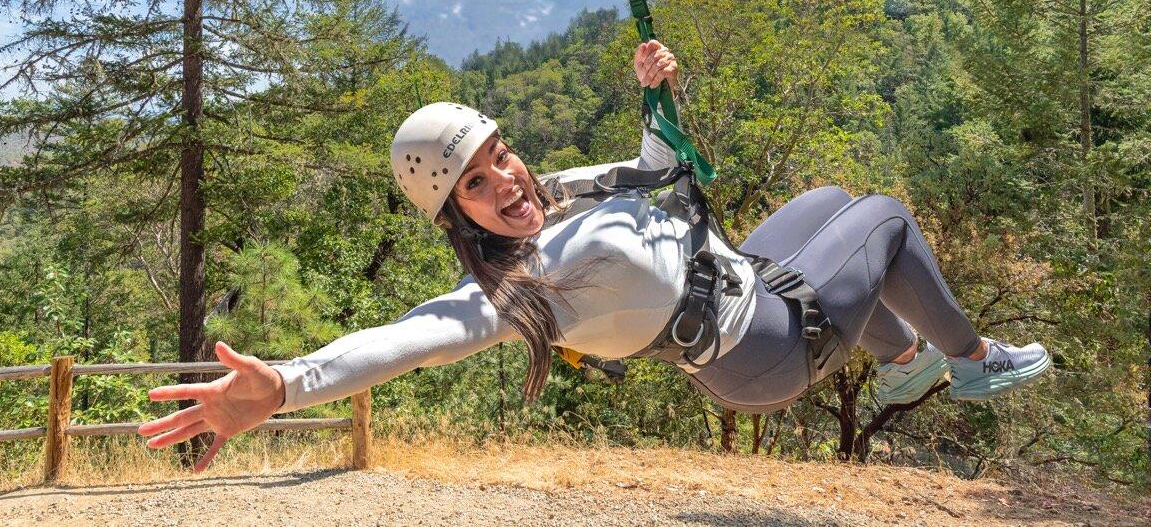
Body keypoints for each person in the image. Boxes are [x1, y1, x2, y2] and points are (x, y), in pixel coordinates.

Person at [139, 41, 1052, 471]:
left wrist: (658, 92)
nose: (506, 176)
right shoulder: (512, 292)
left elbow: (658, 167)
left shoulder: (555, 193)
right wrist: (286, 384)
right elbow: (404, 339)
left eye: (500, 151)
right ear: (457, 215)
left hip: (738, 283)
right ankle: (970, 363)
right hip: (764, 348)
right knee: (883, 218)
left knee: (827, 204)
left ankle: (897, 357)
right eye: (476, 181)